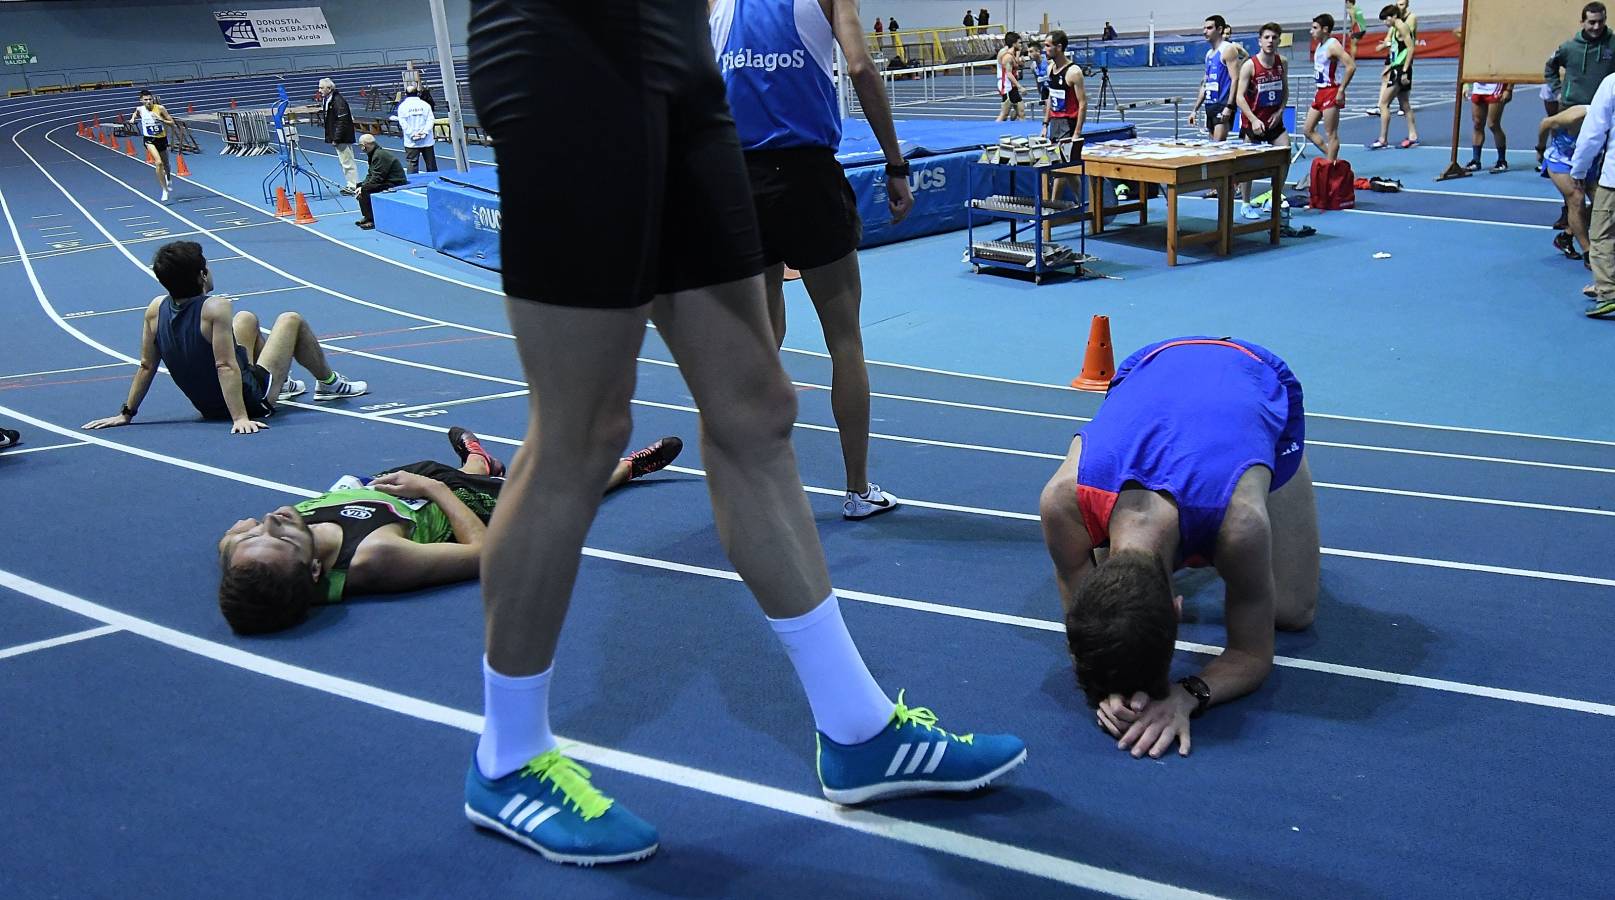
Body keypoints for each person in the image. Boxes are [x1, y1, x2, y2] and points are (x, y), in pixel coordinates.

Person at [461, 0, 1025, 867]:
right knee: (583, 427)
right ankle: (507, 757)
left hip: (679, 54)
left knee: (755, 408)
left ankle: (856, 728)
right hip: (565, 44)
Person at [1038, 336, 1317, 759]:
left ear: (1178, 609)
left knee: (1291, 611)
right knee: (1117, 629)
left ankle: (1263, 449)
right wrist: (1107, 686)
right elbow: (1082, 622)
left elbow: (1251, 653)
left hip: (1250, 371)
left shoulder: (1239, 523)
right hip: (1147, 367)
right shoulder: (1061, 503)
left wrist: (1189, 694)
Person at [717, 0, 912, 518]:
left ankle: (758, 487)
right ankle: (857, 489)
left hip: (737, 182)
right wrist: (896, 163)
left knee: (760, 346)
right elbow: (860, 68)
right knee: (844, 340)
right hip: (807, 178)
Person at [216, 429, 685, 634]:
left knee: (460, 470)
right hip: (453, 504)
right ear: (317, 570)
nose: (271, 520)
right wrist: (433, 489)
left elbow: (244, 552)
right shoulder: (376, 558)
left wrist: (238, 545)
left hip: (387, 488)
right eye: (278, 537)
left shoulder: (263, 560)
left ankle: (477, 460)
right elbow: (483, 553)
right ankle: (625, 468)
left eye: (252, 534)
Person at [82, 241, 368, 436]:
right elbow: (225, 366)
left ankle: (285, 384)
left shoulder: (155, 308)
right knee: (291, 320)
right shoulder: (216, 307)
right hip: (250, 400)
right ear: (202, 275)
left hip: (207, 405)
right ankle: (329, 384)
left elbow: (147, 366)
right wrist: (241, 417)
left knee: (245, 319)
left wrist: (126, 413)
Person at [1570, 74, 1615, 318]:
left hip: (1613, 180)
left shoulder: (1611, 83)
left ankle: (1608, 294)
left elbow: (1593, 131)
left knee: (1603, 236)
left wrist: (1579, 167)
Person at [1234, 23, 1289, 220]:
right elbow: (1239, 97)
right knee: (1248, 165)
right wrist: (1254, 119)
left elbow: (1285, 91)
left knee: (1285, 154)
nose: (1270, 41)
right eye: (1266, 37)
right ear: (1260, 40)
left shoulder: (1282, 62)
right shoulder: (1250, 65)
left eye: (1274, 37)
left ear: (1279, 41)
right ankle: (1246, 204)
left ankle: (1273, 197)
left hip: (1274, 121)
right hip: (1253, 123)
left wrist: (1280, 111)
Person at [1041, 29, 1087, 220]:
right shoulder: (1051, 68)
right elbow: (1051, 98)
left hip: (1068, 124)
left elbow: (1083, 103)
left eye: (1048, 45)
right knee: (1066, 170)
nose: (1045, 49)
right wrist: (1045, 124)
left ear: (1059, 47)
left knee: (1060, 167)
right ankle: (1085, 203)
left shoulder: (1074, 72)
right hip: (1055, 123)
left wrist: (1077, 132)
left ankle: (1052, 209)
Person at [1302, 14, 1356, 171]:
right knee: (1307, 129)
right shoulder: (1320, 45)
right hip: (1320, 92)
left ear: (1325, 29)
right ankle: (1332, 159)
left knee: (1330, 133)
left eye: (1314, 28)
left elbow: (1351, 66)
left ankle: (1330, 169)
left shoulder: (1333, 45)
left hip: (1331, 91)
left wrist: (1341, 90)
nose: (1311, 31)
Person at [1542, 106, 1594, 266]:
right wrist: (1539, 148)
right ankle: (1588, 252)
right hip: (1561, 160)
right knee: (1576, 199)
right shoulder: (1576, 117)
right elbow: (1545, 123)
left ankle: (1566, 236)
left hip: (1586, 161)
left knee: (1605, 202)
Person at [1368, 5, 1419, 149]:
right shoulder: (1396, 29)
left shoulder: (1402, 27)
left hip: (1401, 70)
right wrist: (1389, 67)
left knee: (1383, 104)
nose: (1385, 23)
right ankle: (1413, 136)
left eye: (1386, 19)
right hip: (1397, 67)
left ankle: (1383, 139)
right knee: (1405, 105)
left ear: (1393, 16)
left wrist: (1403, 71)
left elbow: (1410, 48)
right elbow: (1400, 52)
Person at [1190, 15, 1240, 140]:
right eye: (1204, 28)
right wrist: (1194, 110)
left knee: (1218, 149)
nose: (1204, 31)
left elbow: (1235, 79)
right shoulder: (1209, 54)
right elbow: (1205, 84)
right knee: (1212, 149)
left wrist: (1229, 107)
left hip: (1222, 105)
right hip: (1210, 105)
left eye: (1209, 28)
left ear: (1219, 29)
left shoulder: (1228, 49)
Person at [129, 90, 178, 202]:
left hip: (161, 139)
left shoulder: (160, 108)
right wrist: (132, 119)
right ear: (141, 100)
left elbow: (172, 122)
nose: (148, 101)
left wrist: (161, 119)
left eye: (150, 99)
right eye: (145, 100)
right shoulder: (140, 109)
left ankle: (169, 178)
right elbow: (135, 113)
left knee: (166, 163)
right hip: (149, 140)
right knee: (158, 162)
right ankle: (164, 190)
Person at [354, 133, 409, 230]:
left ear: (366, 145)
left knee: (366, 189)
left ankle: (372, 219)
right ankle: (367, 216)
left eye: (362, 146)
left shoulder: (379, 155)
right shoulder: (373, 153)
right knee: (361, 185)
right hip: (386, 179)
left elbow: (378, 177)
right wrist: (361, 186)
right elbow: (371, 173)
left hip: (395, 181)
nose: (362, 148)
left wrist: (363, 188)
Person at [318, 78, 360, 195]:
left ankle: (353, 186)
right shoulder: (329, 100)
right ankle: (352, 184)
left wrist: (336, 138)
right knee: (345, 161)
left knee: (347, 162)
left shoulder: (338, 101)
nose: (319, 90)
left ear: (329, 88)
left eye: (322, 88)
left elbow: (342, 121)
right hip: (339, 136)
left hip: (342, 138)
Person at [1466, 82, 1511, 172]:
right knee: (1477, 124)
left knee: (1493, 124)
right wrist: (1466, 85)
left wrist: (1508, 89)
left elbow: (1510, 69)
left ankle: (1502, 161)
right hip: (1478, 86)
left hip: (1496, 85)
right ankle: (1476, 160)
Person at [396, 87, 439, 174]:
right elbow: (431, 120)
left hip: (411, 141)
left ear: (406, 94)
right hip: (427, 140)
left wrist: (412, 134)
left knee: (412, 164)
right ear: (418, 93)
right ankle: (435, 182)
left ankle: (412, 185)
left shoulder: (403, 106)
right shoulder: (425, 105)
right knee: (431, 164)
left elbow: (403, 123)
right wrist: (424, 132)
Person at [996, 31, 1025, 121]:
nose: (1021, 45)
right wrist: (1020, 87)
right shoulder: (1006, 55)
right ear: (1014, 43)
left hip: (1012, 85)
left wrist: (1019, 60)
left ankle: (1023, 130)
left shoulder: (1012, 54)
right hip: (1006, 85)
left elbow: (1015, 65)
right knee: (1004, 115)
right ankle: (993, 130)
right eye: (1020, 43)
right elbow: (1008, 73)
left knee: (1021, 112)